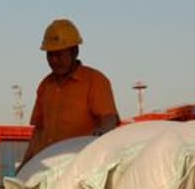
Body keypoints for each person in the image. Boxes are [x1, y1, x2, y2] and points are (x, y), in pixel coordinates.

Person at [20, 18, 120, 165]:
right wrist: (25, 166)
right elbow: (38, 132)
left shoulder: (94, 80)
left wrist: (103, 131)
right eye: (50, 54)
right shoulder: (45, 86)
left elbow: (110, 118)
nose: (54, 60)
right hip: (48, 166)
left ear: (74, 52)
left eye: (59, 54)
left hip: (80, 165)